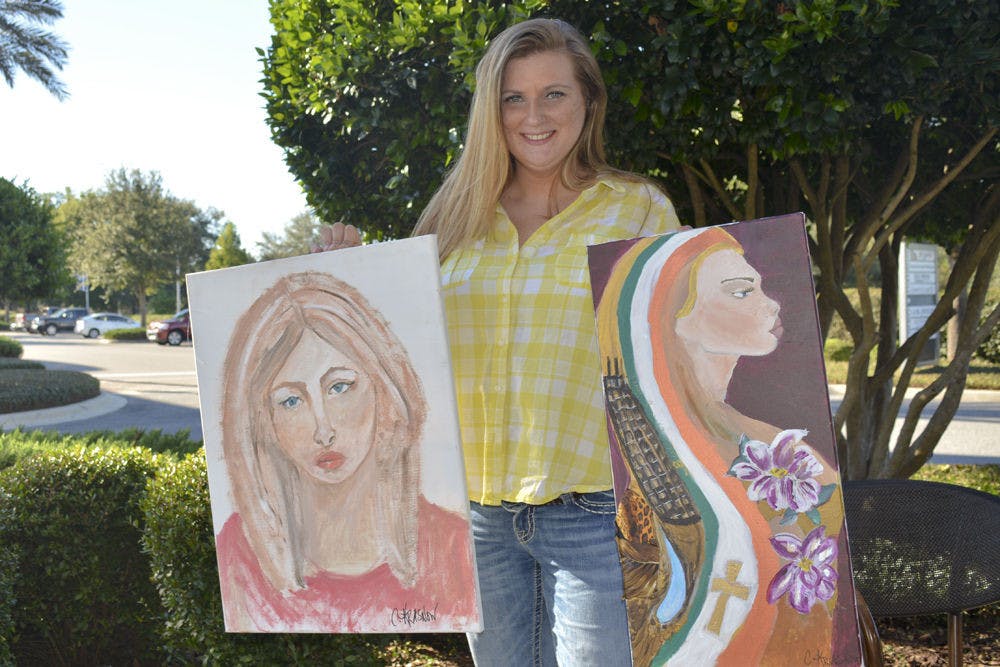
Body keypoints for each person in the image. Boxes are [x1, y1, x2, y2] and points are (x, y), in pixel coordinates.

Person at [317, 17, 680, 666]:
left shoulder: (639, 210)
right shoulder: (454, 217)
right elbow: (397, 349)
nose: (533, 115)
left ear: (588, 101)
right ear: (492, 109)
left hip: (595, 514)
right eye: (514, 97)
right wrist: (344, 271)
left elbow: (672, 355)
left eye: (554, 94)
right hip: (477, 519)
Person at [595, 227, 859, 666]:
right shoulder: (655, 473)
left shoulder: (767, 443)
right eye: (741, 292)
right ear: (672, 317)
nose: (771, 304)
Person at [213, 271, 478, 633]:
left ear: (383, 388)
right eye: (291, 401)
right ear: (264, 423)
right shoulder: (240, 555)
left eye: (340, 387)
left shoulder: (451, 548)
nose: (323, 430)